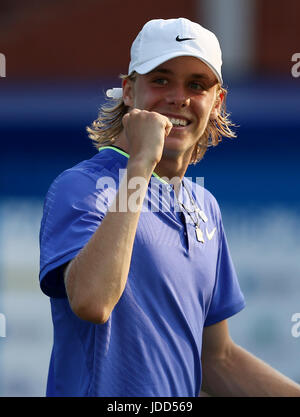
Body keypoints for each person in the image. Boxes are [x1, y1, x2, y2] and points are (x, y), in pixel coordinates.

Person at [39, 17, 300, 397]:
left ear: (217, 102)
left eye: (197, 85)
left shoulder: (205, 206)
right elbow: (93, 302)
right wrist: (141, 164)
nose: (179, 97)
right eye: (161, 80)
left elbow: (217, 359)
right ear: (129, 91)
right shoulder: (80, 186)